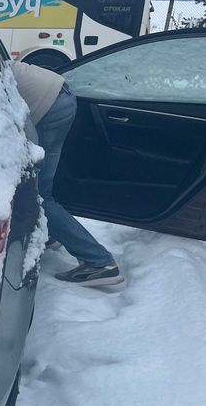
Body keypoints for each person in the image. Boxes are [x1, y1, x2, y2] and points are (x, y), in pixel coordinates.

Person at [11, 61, 124, 287]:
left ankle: (100, 263)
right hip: (58, 94)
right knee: (42, 186)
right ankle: (51, 232)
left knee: (39, 196)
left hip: (46, 106)